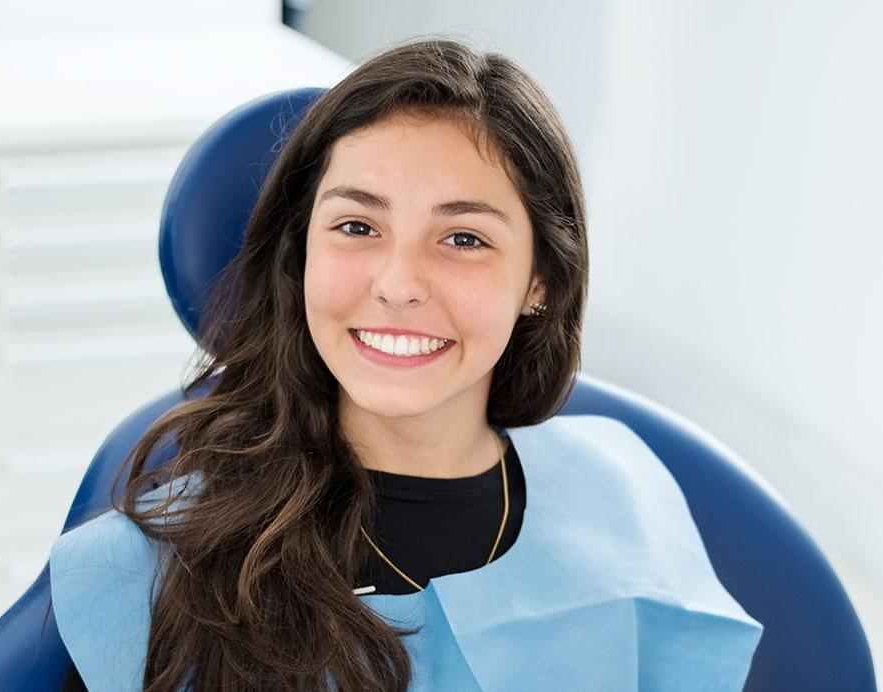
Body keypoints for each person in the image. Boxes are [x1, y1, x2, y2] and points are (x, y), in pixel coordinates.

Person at [50, 36, 763, 691]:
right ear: (302, 255)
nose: (398, 284)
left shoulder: (626, 500)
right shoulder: (146, 573)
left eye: (463, 238)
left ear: (540, 280)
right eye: (357, 226)